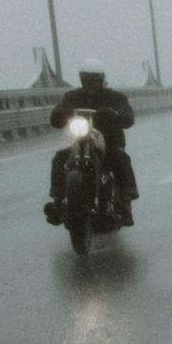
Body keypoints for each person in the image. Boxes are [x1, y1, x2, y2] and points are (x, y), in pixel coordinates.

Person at [44, 60, 138, 226]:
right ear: (81, 80)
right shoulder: (72, 97)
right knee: (59, 158)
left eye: (95, 79)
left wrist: (115, 114)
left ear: (101, 80)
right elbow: (57, 116)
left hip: (109, 143)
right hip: (79, 141)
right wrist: (61, 113)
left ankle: (125, 204)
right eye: (87, 79)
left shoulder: (115, 97)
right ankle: (57, 202)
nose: (91, 83)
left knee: (121, 159)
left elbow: (128, 117)